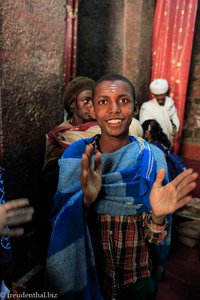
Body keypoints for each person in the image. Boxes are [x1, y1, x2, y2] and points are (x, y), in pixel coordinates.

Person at [45, 74, 198, 300]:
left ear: (135, 109)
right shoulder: (77, 157)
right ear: (94, 110)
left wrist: (157, 217)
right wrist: (86, 201)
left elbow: (157, 240)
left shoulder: (151, 159)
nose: (114, 109)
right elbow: (60, 225)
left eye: (123, 100)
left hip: (136, 277)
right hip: (93, 273)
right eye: (104, 101)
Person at [139, 78, 180, 144]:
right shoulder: (147, 107)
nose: (160, 98)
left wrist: (175, 130)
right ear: (153, 95)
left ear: (165, 93)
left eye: (162, 95)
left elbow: (174, 119)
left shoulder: (170, 103)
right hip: (154, 141)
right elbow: (146, 125)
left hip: (169, 138)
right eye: (157, 96)